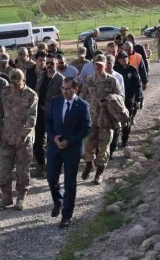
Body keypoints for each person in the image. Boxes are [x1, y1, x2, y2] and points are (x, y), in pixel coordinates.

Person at [46, 77, 92, 228]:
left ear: (75, 90)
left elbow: (86, 128)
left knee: (70, 182)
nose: (65, 92)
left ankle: (67, 215)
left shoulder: (83, 106)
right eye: (63, 88)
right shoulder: (55, 101)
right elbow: (48, 121)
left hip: (72, 149)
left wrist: (69, 141)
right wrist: (54, 138)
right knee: (51, 177)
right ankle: (58, 200)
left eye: (68, 89)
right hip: (55, 146)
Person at [0, 69, 38, 211]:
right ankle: (6, 197)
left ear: (24, 81)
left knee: (22, 170)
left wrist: (23, 135)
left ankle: (21, 197)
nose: (14, 86)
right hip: (7, 137)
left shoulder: (31, 95)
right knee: (3, 169)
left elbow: (32, 119)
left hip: (23, 140)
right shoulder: (5, 92)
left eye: (17, 84)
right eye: (12, 83)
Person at [80, 55, 124, 185]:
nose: (98, 67)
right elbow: (83, 97)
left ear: (105, 65)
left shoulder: (112, 81)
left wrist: (109, 99)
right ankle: (89, 164)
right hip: (91, 118)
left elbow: (120, 97)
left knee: (103, 146)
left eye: (100, 64)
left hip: (106, 119)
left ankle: (99, 171)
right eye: (96, 64)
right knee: (88, 143)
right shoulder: (89, 81)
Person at [33, 54, 65, 177]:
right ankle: (40, 165)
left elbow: (62, 99)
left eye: (52, 63)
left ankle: (52, 167)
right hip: (39, 113)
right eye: (48, 63)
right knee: (37, 141)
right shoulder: (41, 75)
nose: (49, 65)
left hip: (53, 114)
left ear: (57, 64)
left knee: (53, 141)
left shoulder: (60, 79)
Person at [112, 51, 143, 151]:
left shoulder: (133, 70)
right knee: (116, 122)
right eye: (121, 58)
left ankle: (124, 140)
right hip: (118, 100)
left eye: (125, 57)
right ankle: (114, 143)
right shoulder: (115, 69)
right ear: (118, 60)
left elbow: (138, 86)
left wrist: (138, 99)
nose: (124, 59)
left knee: (127, 121)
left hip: (129, 100)